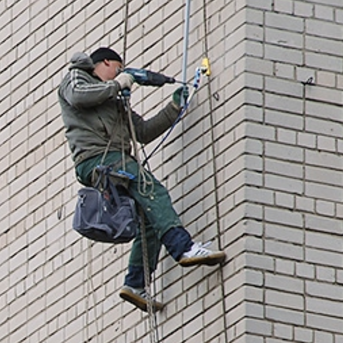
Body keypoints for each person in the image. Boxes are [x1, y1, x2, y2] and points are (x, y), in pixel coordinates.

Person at [58, 46, 225, 312]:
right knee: (153, 192)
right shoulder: (77, 77)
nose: (122, 73)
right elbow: (79, 97)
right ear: (104, 63)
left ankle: (135, 283)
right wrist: (118, 84)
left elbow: (144, 132)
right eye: (118, 68)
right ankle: (184, 248)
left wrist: (173, 107)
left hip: (114, 161)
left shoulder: (113, 101)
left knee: (149, 218)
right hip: (99, 159)